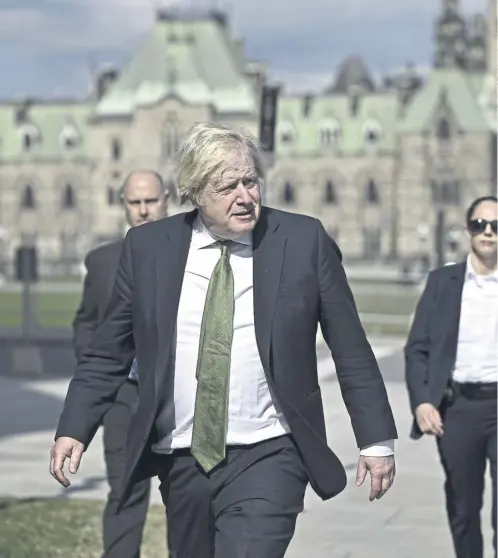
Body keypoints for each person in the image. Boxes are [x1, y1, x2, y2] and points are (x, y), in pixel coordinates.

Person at [50, 122, 397, 558]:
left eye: (250, 181)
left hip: (272, 449)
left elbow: (350, 348)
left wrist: (376, 440)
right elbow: (107, 353)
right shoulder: (148, 249)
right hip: (182, 456)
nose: (245, 196)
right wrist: (75, 428)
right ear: (195, 192)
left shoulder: (302, 240)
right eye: (227, 186)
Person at [72, 170, 169, 558]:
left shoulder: (197, 258)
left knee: (186, 498)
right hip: (124, 398)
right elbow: (85, 323)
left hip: (177, 397)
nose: (144, 211)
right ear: (124, 206)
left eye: (151, 201)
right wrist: (100, 373)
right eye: (135, 203)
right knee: (124, 492)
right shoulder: (101, 263)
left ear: (168, 199)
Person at [405, 195, 497, 558]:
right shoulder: (444, 282)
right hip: (457, 409)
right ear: (468, 230)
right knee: (463, 506)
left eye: (495, 226)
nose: (488, 233)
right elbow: (417, 349)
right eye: (480, 225)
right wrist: (422, 401)